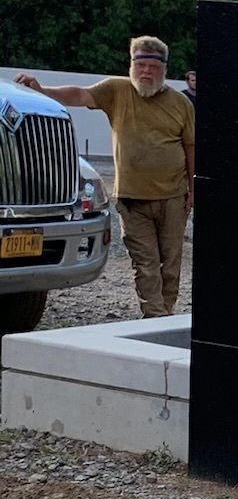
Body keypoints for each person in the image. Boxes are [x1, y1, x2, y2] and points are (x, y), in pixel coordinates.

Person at [16, 36, 195, 320]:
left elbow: (189, 146)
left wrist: (193, 189)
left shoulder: (180, 103)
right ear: (131, 65)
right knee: (145, 262)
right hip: (132, 198)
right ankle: (155, 318)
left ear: (164, 69)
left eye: (153, 66)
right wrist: (41, 89)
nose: (146, 71)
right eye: (141, 64)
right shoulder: (117, 90)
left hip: (173, 195)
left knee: (171, 264)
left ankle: (165, 314)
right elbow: (78, 94)